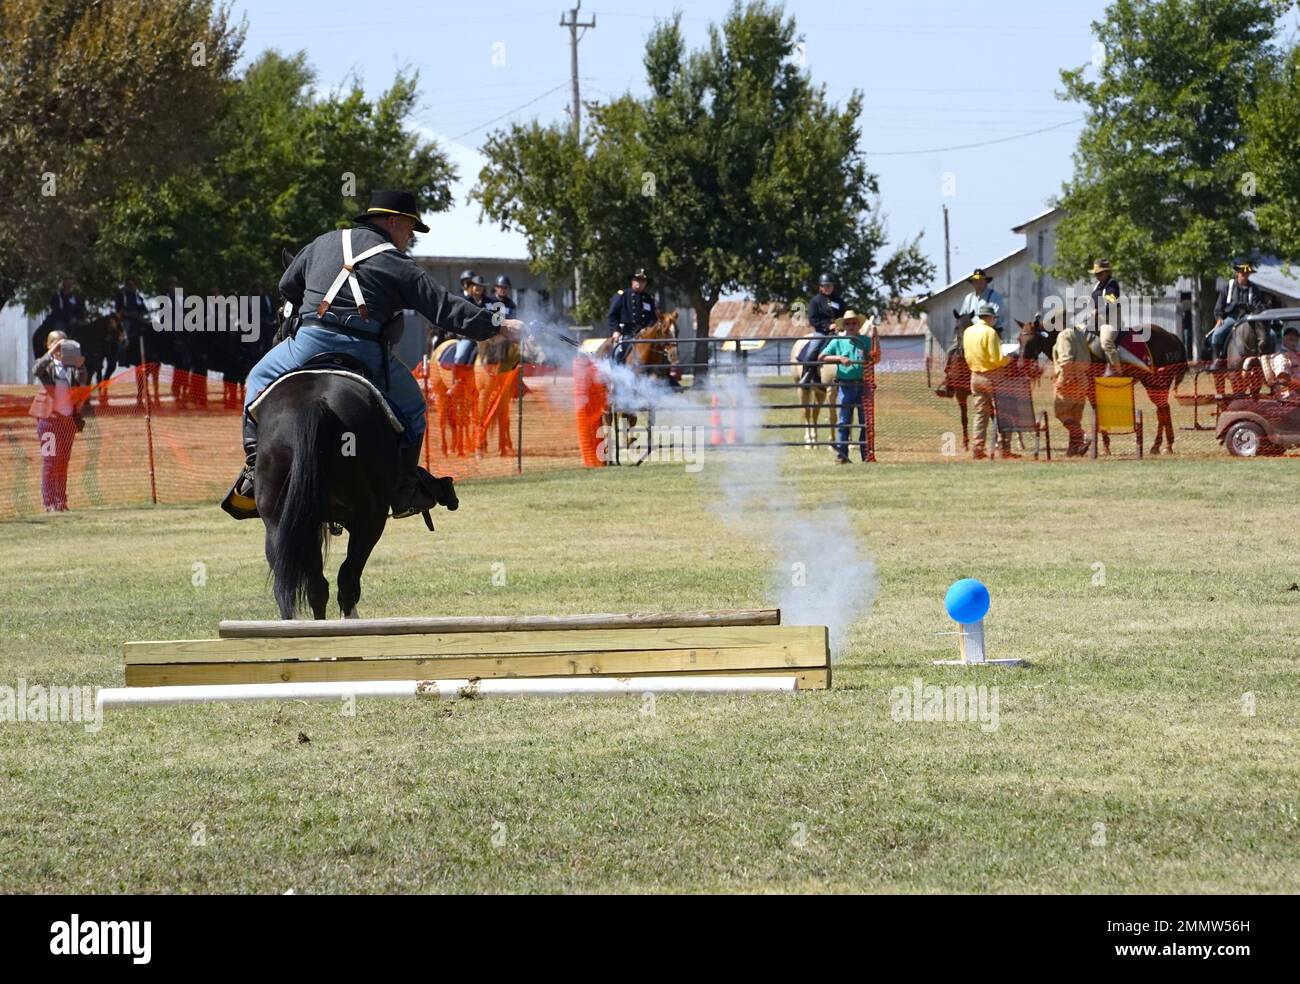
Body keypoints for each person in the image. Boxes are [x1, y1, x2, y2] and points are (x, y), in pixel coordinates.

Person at [225, 190, 520, 520]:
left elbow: (287, 284)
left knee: (258, 379)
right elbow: (444, 308)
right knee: (413, 406)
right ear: (392, 220)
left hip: (307, 343)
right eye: (410, 228)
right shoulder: (397, 262)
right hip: (363, 350)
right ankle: (405, 488)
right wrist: (499, 324)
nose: (410, 237)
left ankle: (254, 469)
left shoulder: (322, 243)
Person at [30, 331, 88, 512]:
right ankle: (49, 503)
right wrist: (51, 352)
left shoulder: (71, 367)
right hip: (48, 421)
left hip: (67, 422)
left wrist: (78, 361)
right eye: (56, 344)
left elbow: (82, 380)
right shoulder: (47, 367)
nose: (60, 348)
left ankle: (61, 501)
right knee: (50, 461)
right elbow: (36, 369)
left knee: (63, 461)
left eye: (64, 344)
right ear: (49, 345)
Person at [818, 310, 879, 463]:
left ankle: (867, 456)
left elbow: (876, 358)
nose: (851, 326)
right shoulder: (837, 341)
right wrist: (839, 358)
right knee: (844, 422)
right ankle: (842, 456)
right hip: (846, 386)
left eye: (854, 323)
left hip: (864, 386)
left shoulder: (865, 340)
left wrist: (876, 339)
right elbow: (822, 357)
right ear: (844, 326)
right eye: (848, 323)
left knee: (865, 422)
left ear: (859, 325)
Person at [963, 301, 1017, 459]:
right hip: (993, 376)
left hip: (975, 376)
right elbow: (996, 358)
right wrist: (1009, 360)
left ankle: (978, 448)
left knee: (980, 414)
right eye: (994, 318)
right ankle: (1004, 448)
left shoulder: (968, 332)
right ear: (990, 318)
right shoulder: (990, 332)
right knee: (1003, 412)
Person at [1207, 259, 1267, 369]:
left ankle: (1267, 362)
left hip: (1249, 318)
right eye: (1242, 272)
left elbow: (1260, 306)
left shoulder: (1254, 289)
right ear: (1237, 273)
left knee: (1270, 335)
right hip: (1232, 317)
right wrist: (1219, 318)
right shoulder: (1228, 286)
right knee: (1216, 335)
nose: (1245, 275)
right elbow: (1219, 305)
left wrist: (1256, 310)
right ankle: (1217, 361)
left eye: (1247, 273)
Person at [1052, 320, 1092, 456]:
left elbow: (1066, 360)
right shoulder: (1079, 333)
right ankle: (1075, 448)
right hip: (1082, 379)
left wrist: (1062, 380)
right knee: (1075, 417)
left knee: (1061, 412)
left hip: (1069, 379)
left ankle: (1084, 435)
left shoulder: (1064, 335)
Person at [606, 268, 658, 364]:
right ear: (632, 281)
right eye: (637, 279)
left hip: (644, 335)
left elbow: (652, 318)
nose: (640, 283)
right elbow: (612, 315)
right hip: (626, 333)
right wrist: (615, 331)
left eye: (643, 281)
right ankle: (617, 374)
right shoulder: (622, 295)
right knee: (620, 353)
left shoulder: (649, 299)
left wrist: (647, 328)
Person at [800, 272, 843, 381]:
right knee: (812, 350)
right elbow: (813, 319)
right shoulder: (815, 301)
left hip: (839, 331)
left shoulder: (839, 301)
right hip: (822, 332)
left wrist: (840, 325)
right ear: (821, 287)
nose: (828, 288)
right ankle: (806, 375)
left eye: (830, 285)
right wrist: (828, 326)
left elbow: (843, 315)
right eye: (826, 285)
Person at [956, 268, 1005, 338]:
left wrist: (980, 329)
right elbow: (962, 317)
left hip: (990, 332)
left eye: (981, 280)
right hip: (970, 333)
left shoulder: (995, 296)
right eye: (976, 280)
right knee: (954, 347)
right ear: (972, 283)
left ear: (986, 281)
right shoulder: (968, 298)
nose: (978, 282)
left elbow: (995, 319)